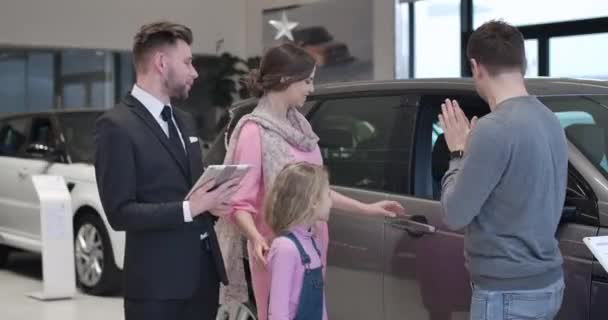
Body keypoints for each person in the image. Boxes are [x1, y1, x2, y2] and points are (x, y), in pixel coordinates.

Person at [217, 42, 405, 320]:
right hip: (276, 252)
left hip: (312, 245)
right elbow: (238, 204)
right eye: (307, 81)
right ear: (285, 80)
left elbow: (316, 190)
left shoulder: (301, 128)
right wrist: (256, 238)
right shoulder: (253, 132)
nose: (311, 89)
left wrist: (368, 209)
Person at [94, 21, 237, 320]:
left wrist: (213, 204)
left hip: (203, 278)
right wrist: (189, 208)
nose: (194, 72)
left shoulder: (185, 121)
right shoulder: (116, 126)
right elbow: (120, 212)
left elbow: (192, 191)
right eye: (187, 62)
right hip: (156, 289)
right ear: (161, 63)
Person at [438, 20, 567, 320]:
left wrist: (458, 153)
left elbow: (454, 215)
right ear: (523, 63)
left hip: (507, 294)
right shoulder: (550, 120)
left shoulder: (492, 129)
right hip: (547, 285)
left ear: (476, 66)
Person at [265, 162, 332, 320]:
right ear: (313, 202)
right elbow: (278, 312)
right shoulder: (285, 248)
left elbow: (320, 306)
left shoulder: (314, 243)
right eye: (328, 195)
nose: (331, 202)